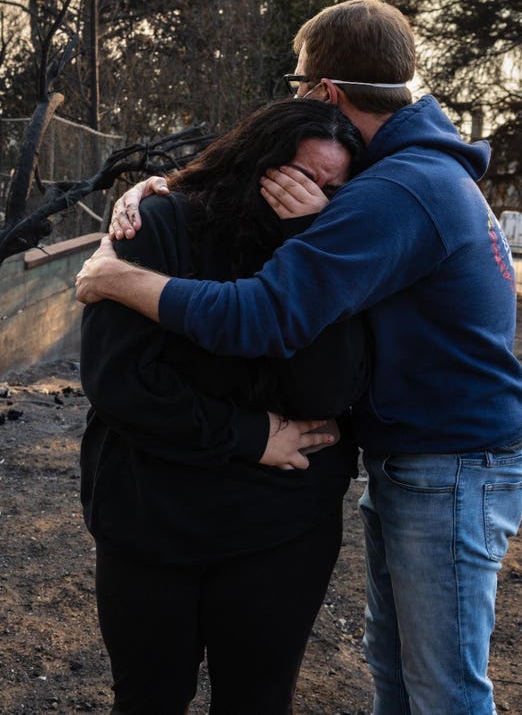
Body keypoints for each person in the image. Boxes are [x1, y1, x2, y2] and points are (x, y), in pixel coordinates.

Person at [77, 0, 522, 715]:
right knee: (402, 669)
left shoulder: (396, 189)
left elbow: (264, 316)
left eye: (296, 85)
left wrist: (116, 278)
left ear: (325, 91)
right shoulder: (410, 172)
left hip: (448, 464)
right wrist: (164, 189)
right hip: (432, 457)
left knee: (442, 689)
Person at [81, 97, 370, 714]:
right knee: (148, 699)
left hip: (281, 527)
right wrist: (249, 434)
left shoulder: (330, 248)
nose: (310, 195)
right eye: (297, 177)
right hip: (153, 515)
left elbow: (326, 391)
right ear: (255, 161)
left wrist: (308, 239)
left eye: (330, 187)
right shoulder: (159, 224)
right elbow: (119, 380)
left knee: (258, 702)